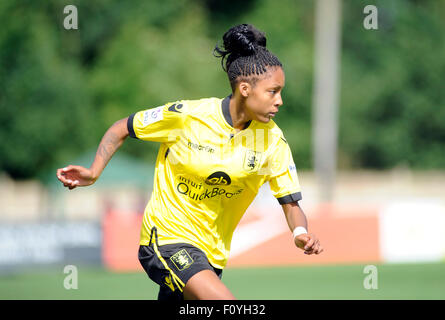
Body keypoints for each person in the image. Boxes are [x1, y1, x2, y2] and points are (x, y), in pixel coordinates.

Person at [57, 23, 323, 300]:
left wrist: (300, 233)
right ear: (245, 88)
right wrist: (93, 172)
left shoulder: (273, 141)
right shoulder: (187, 116)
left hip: (211, 257)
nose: (280, 101)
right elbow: (122, 127)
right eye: (273, 91)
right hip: (165, 239)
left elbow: (290, 204)